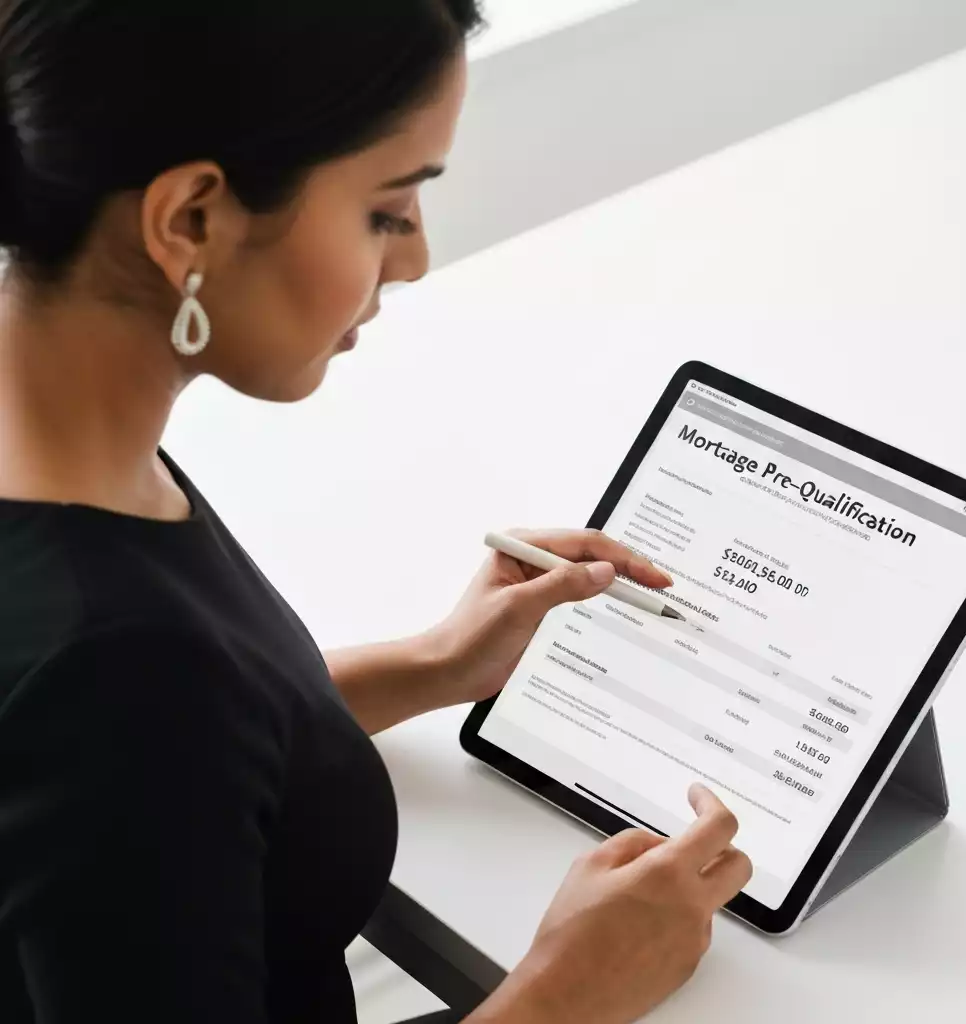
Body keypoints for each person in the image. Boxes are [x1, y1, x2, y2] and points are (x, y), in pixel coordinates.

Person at [0, 2, 753, 1022]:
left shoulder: (58, 445)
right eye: (387, 211)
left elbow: (133, 794)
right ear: (190, 220)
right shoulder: (124, 666)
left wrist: (434, 664)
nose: (413, 259)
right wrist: (564, 990)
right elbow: (127, 728)